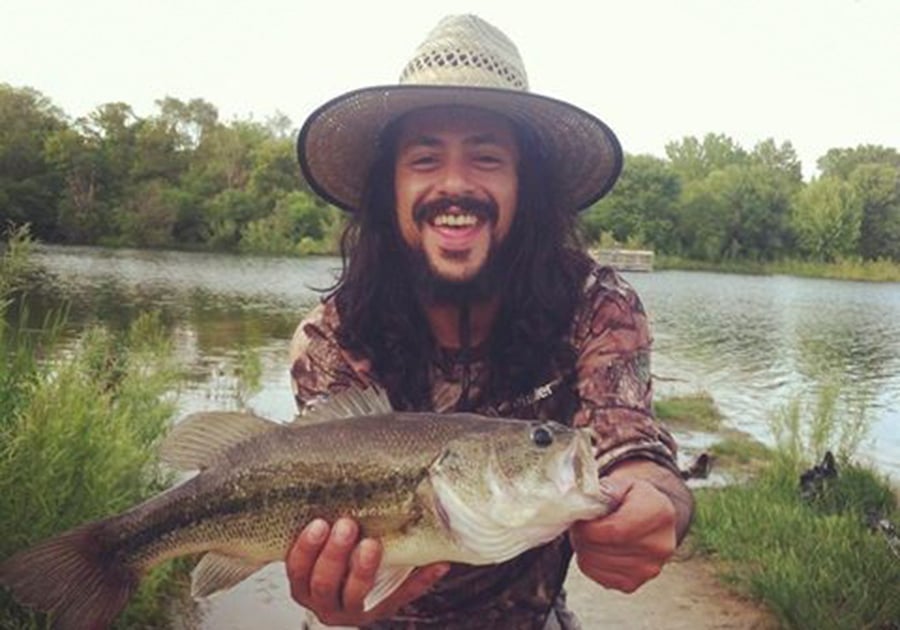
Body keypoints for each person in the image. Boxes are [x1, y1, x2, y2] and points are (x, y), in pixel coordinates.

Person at [286, 14, 693, 629]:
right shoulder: (333, 335)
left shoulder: (595, 304)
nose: (455, 184)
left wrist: (659, 503)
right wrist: (345, 606)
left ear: (526, 185)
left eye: (486, 157)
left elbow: (630, 446)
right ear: (388, 186)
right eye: (424, 159)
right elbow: (317, 506)